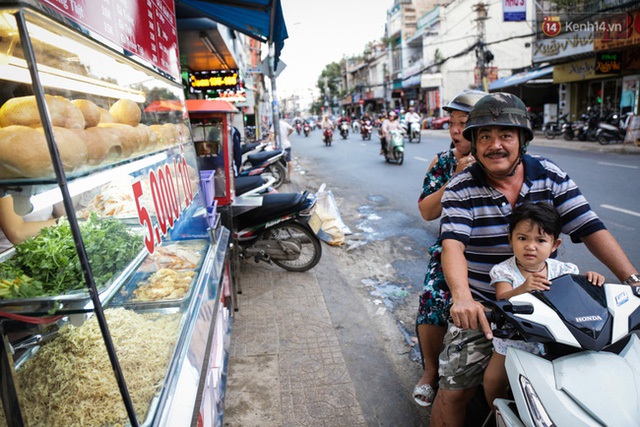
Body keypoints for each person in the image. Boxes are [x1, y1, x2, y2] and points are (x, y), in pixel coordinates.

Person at [429, 92, 639, 426]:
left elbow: (589, 226)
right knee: (453, 393)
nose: (495, 145)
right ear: (474, 143)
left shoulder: (550, 175)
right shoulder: (460, 187)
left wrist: (633, 280)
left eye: (505, 136)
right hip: (486, 309)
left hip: (553, 309)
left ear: (522, 140)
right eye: (485, 136)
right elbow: (451, 243)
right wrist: (463, 299)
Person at [482, 201, 605, 410]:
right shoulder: (504, 271)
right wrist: (522, 288)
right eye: (522, 238)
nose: (530, 246)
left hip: (557, 339)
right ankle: (497, 413)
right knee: (493, 379)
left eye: (540, 240)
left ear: (554, 245)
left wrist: (590, 280)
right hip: (514, 340)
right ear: (511, 239)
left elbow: (577, 297)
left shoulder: (563, 270)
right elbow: (502, 299)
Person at [413, 90, 487, 407]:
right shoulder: (442, 163)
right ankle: (431, 372)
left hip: (497, 251)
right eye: (452, 123)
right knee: (433, 295)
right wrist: (454, 179)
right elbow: (427, 211)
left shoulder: (499, 158)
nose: (455, 130)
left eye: (463, 123)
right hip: (451, 248)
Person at [270, 118, 294, 182]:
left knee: (279, 161)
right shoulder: (285, 123)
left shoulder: (274, 124)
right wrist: (287, 135)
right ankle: (288, 176)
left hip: (279, 146)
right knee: (289, 160)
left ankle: (282, 176)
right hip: (287, 145)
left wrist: (271, 142)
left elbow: (271, 135)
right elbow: (292, 129)